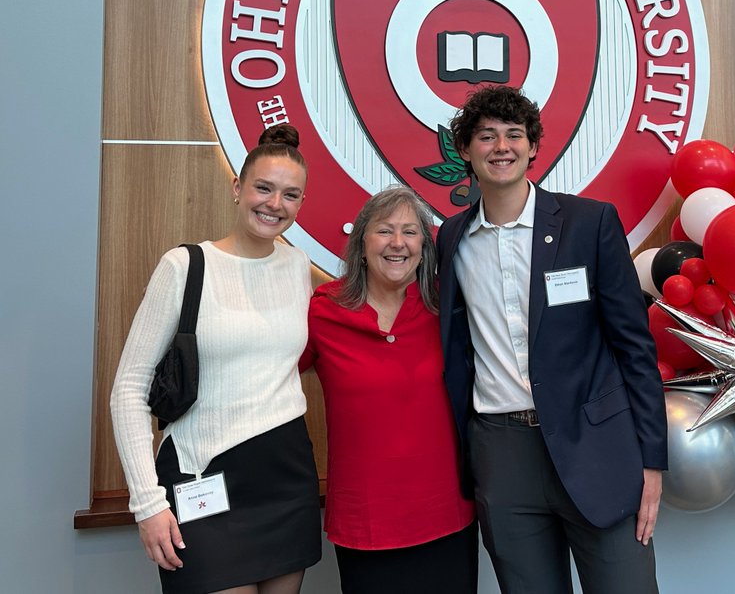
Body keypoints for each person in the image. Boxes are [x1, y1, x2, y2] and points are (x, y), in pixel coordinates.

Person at [437, 84, 667, 594]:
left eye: (514, 134)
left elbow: (634, 347)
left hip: (598, 449)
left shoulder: (590, 223)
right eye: (486, 136)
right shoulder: (450, 239)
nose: (502, 146)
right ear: (466, 151)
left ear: (534, 146)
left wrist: (652, 459)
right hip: (502, 456)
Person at [110, 125, 320, 594]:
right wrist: (147, 503)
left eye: (290, 194)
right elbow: (128, 390)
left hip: (285, 475)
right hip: (200, 475)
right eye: (263, 188)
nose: (274, 204)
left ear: (301, 204)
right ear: (237, 188)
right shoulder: (183, 267)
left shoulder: (295, 267)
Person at [300, 186, 477, 594]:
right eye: (384, 231)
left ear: (424, 247)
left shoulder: (448, 309)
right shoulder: (323, 309)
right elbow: (267, 375)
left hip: (446, 516)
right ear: (361, 244)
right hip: (366, 521)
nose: (397, 243)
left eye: (410, 232)